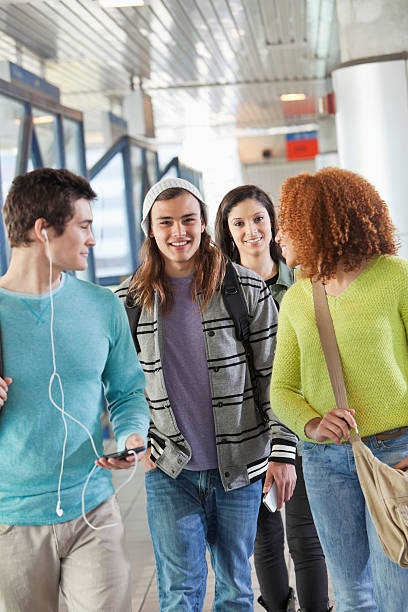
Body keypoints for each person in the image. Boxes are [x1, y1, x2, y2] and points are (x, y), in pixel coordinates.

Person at [115, 177, 298, 611]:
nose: (178, 232)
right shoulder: (128, 300)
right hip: (169, 468)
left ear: (202, 223)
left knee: (235, 588)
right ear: (150, 229)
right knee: (179, 591)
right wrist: (134, 437)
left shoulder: (245, 289)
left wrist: (283, 450)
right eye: (166, 223)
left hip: (240, 466)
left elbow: (276, 377)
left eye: (188, 220)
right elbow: (115, 380)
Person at [0, 168, 150, 612]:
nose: (92, 239)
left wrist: (131, 437)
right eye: (84, 226)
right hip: (12, 520)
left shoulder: (103, 306)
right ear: (42, 230)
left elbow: (127, 392)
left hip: (94, 509)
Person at [270, 167, 408, 612]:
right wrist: (311, 422)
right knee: (350, 594)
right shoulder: (296, 298)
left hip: (395, 456)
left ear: (321, 222)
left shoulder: (396, 278)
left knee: (396, 592)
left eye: (287, 225)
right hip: (326, 462)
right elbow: (283, 389)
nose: (278, 237)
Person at [215, 185, 330, 612]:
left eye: (258, 219)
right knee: (264, 536)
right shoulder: (219, 290)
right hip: (247, 432)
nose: (251, 231)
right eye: (239, 223)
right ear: (227, 232)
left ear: (273, 223)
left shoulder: (304, 281)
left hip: (302, 421)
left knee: (305, 533)